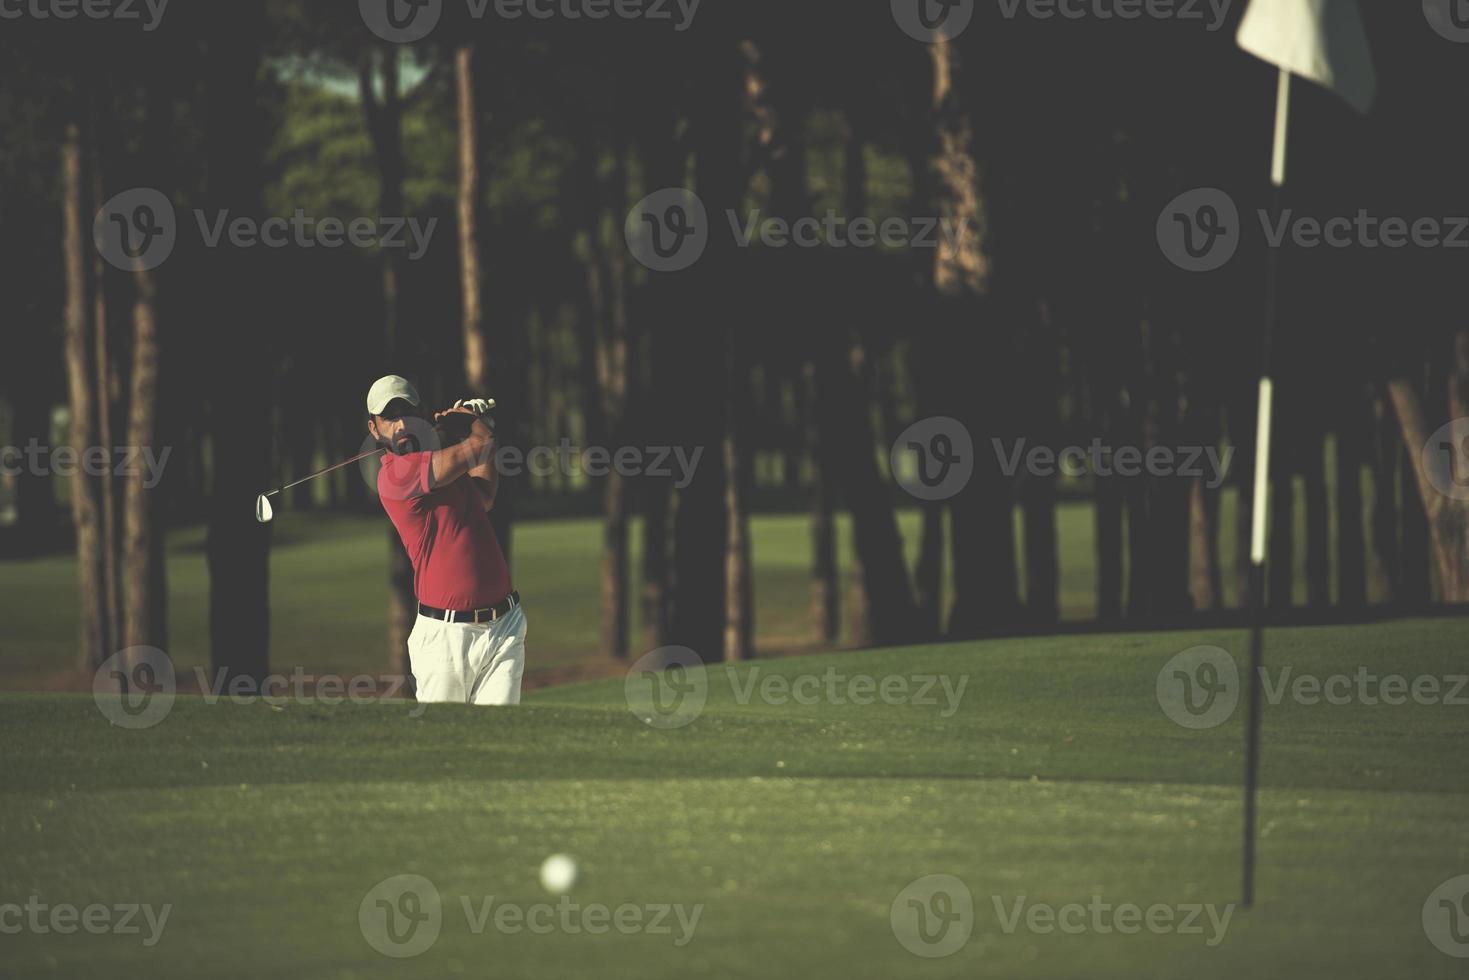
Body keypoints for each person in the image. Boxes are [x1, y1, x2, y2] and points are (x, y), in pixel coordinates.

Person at [365, 374, 525, 705]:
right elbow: (480, 446)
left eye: (407, 413)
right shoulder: (395, 475)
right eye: (390, 417)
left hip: (504, 626)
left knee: (501, 745)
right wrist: (469, 424)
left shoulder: (438, 465)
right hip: (447, 640)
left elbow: (485, 496)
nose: (400, 424)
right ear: (374, 429)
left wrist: (471, 427)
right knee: (447, 748)